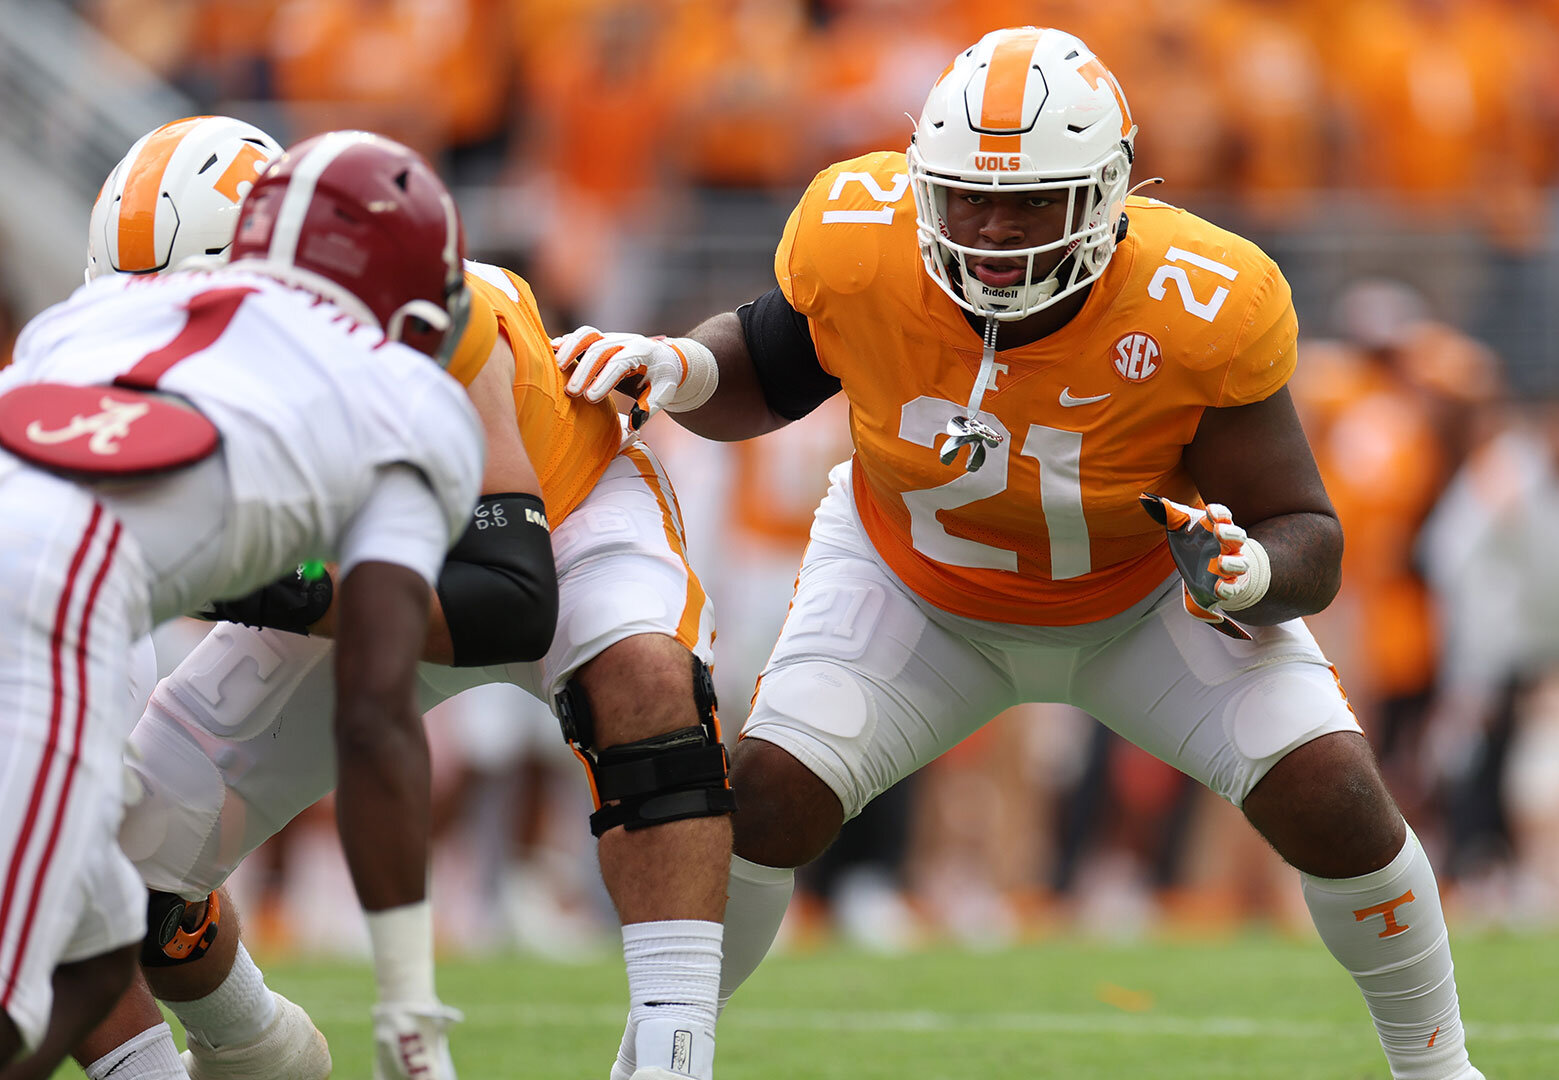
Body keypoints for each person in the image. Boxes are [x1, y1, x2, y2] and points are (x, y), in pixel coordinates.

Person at [556, 27, 1486, 1079]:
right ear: (922, 184)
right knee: (766, 798)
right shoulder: (861, 237)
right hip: (913, 585)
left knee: (1336, 796)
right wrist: (678, 367)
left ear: (1108, 193)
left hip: (1139, 599)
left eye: (1033, 201)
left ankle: (1440, 1068)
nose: (995, 229)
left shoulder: (1202, 300)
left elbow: (1305, 528)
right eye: (967, 197)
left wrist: (1252, 573)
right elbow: (768, 366)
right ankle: (656, 1063)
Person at [71, 116, 730, 1080]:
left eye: (188, 312)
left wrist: (264, 582)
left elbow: (509, 596)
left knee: (644, 683)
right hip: (352, 574)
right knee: (102, 869)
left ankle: (676, 1058)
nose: (162, 348)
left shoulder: (424, 314)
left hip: (562, 522)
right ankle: (259, 1045)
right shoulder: (107, 377)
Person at [0, 129, 482, 1080]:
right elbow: (375, 713)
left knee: (97, 950)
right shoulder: (407, 402)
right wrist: (406, 995)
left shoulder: (81, 324)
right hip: (48, 605)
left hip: (53, 578)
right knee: (20, 989)